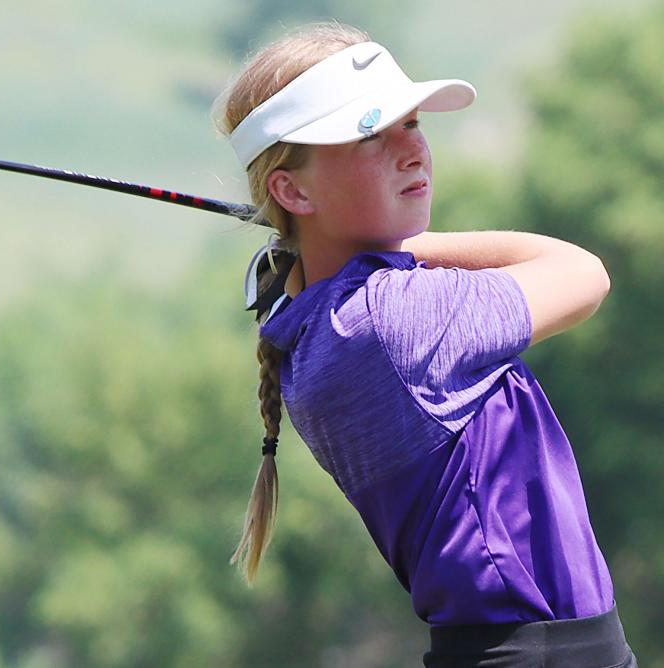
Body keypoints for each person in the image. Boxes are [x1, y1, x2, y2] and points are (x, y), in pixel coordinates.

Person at [216, 22, 638, 667]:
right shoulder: (392, 319)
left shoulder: (319, 325)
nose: (412, 152)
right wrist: (406, 248)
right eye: (370, 135)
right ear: (292, 190)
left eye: (412, 125)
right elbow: (582, 274)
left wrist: (345, 247)